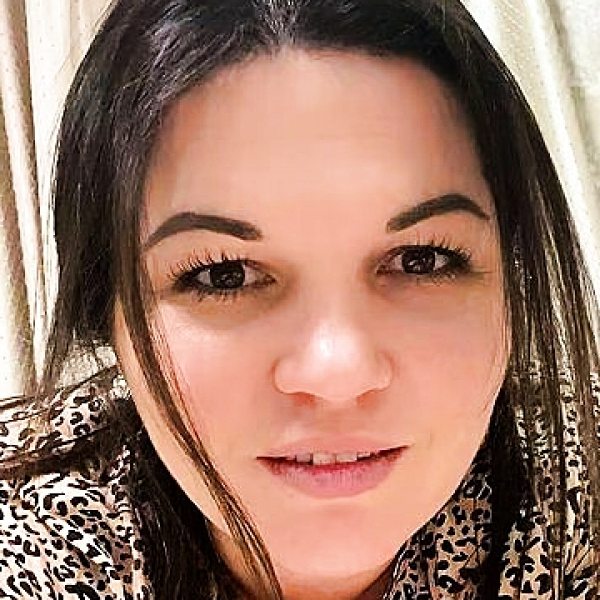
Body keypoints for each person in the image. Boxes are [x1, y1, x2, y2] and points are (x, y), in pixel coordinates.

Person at [0, 0, 598, 598]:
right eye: (225, 275)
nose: (338, 373)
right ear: (104, 312)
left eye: (422, 260)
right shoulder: (32, 546)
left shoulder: (576, 487)